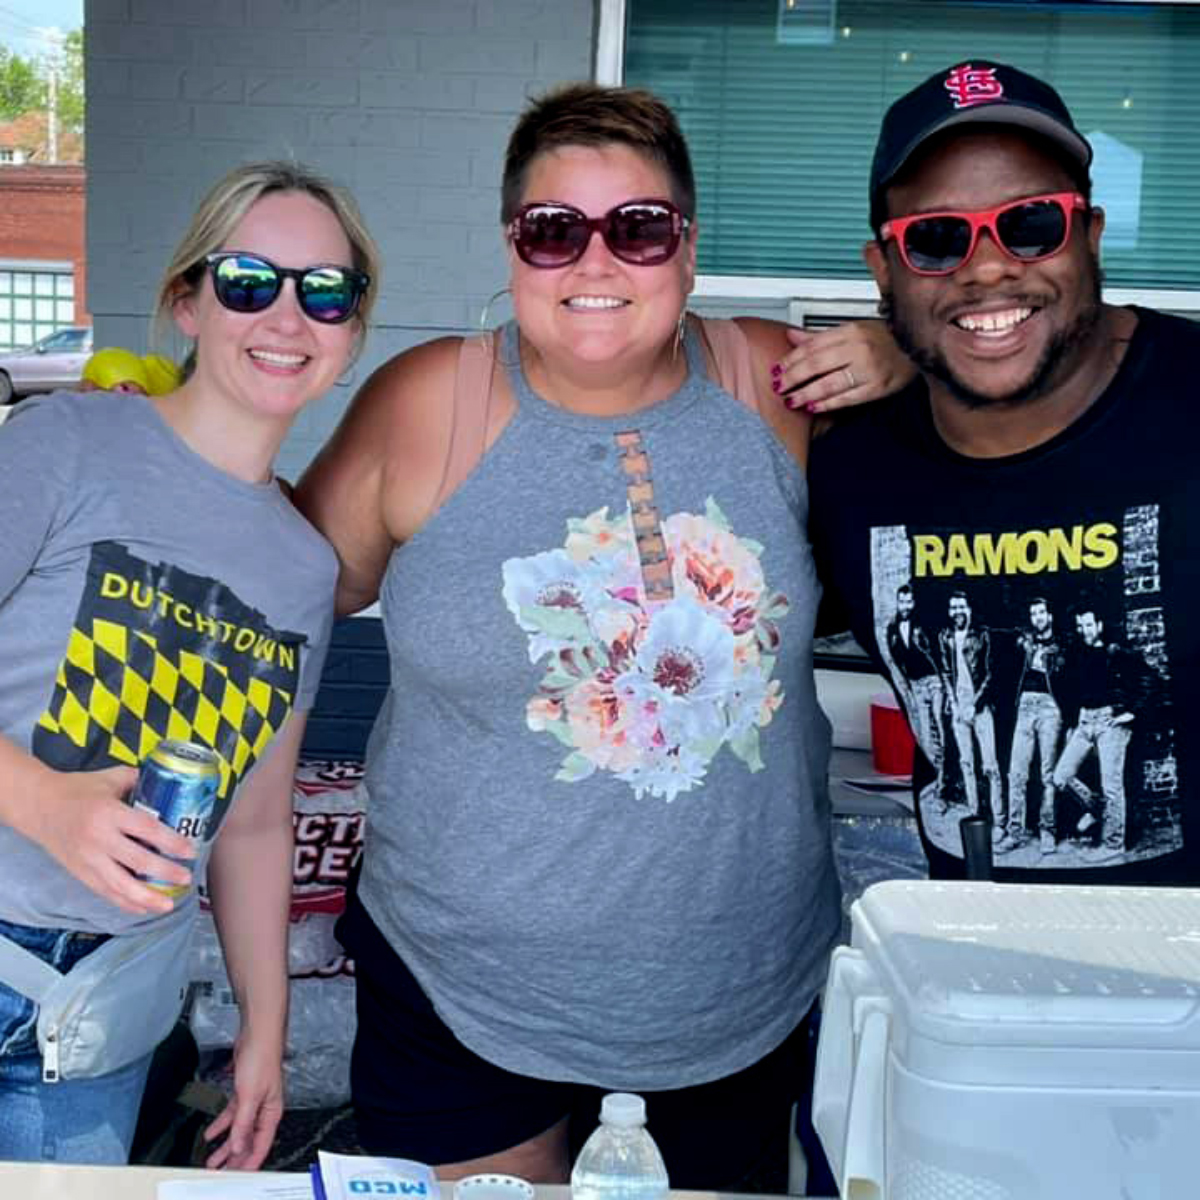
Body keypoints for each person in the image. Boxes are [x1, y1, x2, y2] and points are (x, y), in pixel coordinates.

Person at [294, 83, 909, 1188]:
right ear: (510, 245)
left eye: (637, 228)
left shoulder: (779, 388)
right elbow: (283, 590)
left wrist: (912, 353)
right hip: (458, 989)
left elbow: (987, 416)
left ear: (687, 245)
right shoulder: (431, 400)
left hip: (737, 996)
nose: (595, 263)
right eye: (552, 230)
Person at [0, 160, 378, 1165]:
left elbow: (254, 820)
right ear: (187, 301)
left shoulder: (303, 565)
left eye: (326, 292)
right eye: (250, 280)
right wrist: (43, 801)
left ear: (352, 330)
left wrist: (265, 1027)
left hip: (103, 1007)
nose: (287, 317)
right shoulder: (65, 441)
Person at [807, 58, 1198, 883]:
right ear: (884, 272)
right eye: (937, 240)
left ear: (1089, 236)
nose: (987, 267)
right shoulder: (848, 461)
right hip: (976, 987)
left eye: (1030, 224)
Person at [1050, 605, 1141, 865]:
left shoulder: (1117, 652)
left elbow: (1148, 681)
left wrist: (1129, 713)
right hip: (1085, 721)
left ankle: (1114, 843)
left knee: (1112, 786)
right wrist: (1077, 714)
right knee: (1060, 776)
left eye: (1089, 625)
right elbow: (1075, 687)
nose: (1084, 631)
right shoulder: (1080, 654)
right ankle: (1098, 809)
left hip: (1110, 722)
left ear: (1099, 625)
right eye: (1080, 626)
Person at [937, 589, 1003, 825]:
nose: (957, 612)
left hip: (980, 706)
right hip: (958, 705)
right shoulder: (945, 636)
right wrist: (954, 704)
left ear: (969, 609)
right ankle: (974, 811)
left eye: (961, 607)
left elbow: (990, 674)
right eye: (953, 607)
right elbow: (945, 672)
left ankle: (999, 820)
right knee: (966, 762)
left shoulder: (982, 635)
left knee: (990, 766)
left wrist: (974, 705)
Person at [1006, 596, 1065, 856]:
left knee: (1047, 774)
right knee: (1016, 772)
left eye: (1042, 612)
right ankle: (1014, 831)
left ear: (1049, 616)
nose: (1038, 617)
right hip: (1025, 706)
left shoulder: (1062, 646)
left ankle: (1047, 832)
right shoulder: (1025, 643)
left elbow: (1068, 677)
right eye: (1034, 613)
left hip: (1050, 707)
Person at [883, 583, 944, 800]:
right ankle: (936, 780)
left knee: (941, 726)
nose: (905, 606)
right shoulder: (892, 628)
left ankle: (946, 780)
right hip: (916, 683)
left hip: (934, 680)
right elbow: (895, 656)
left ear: (914, 603)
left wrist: (942, 679)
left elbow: (937, 651)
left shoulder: (924, 623)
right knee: (925, 734)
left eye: (909, 601)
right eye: (902, 601)